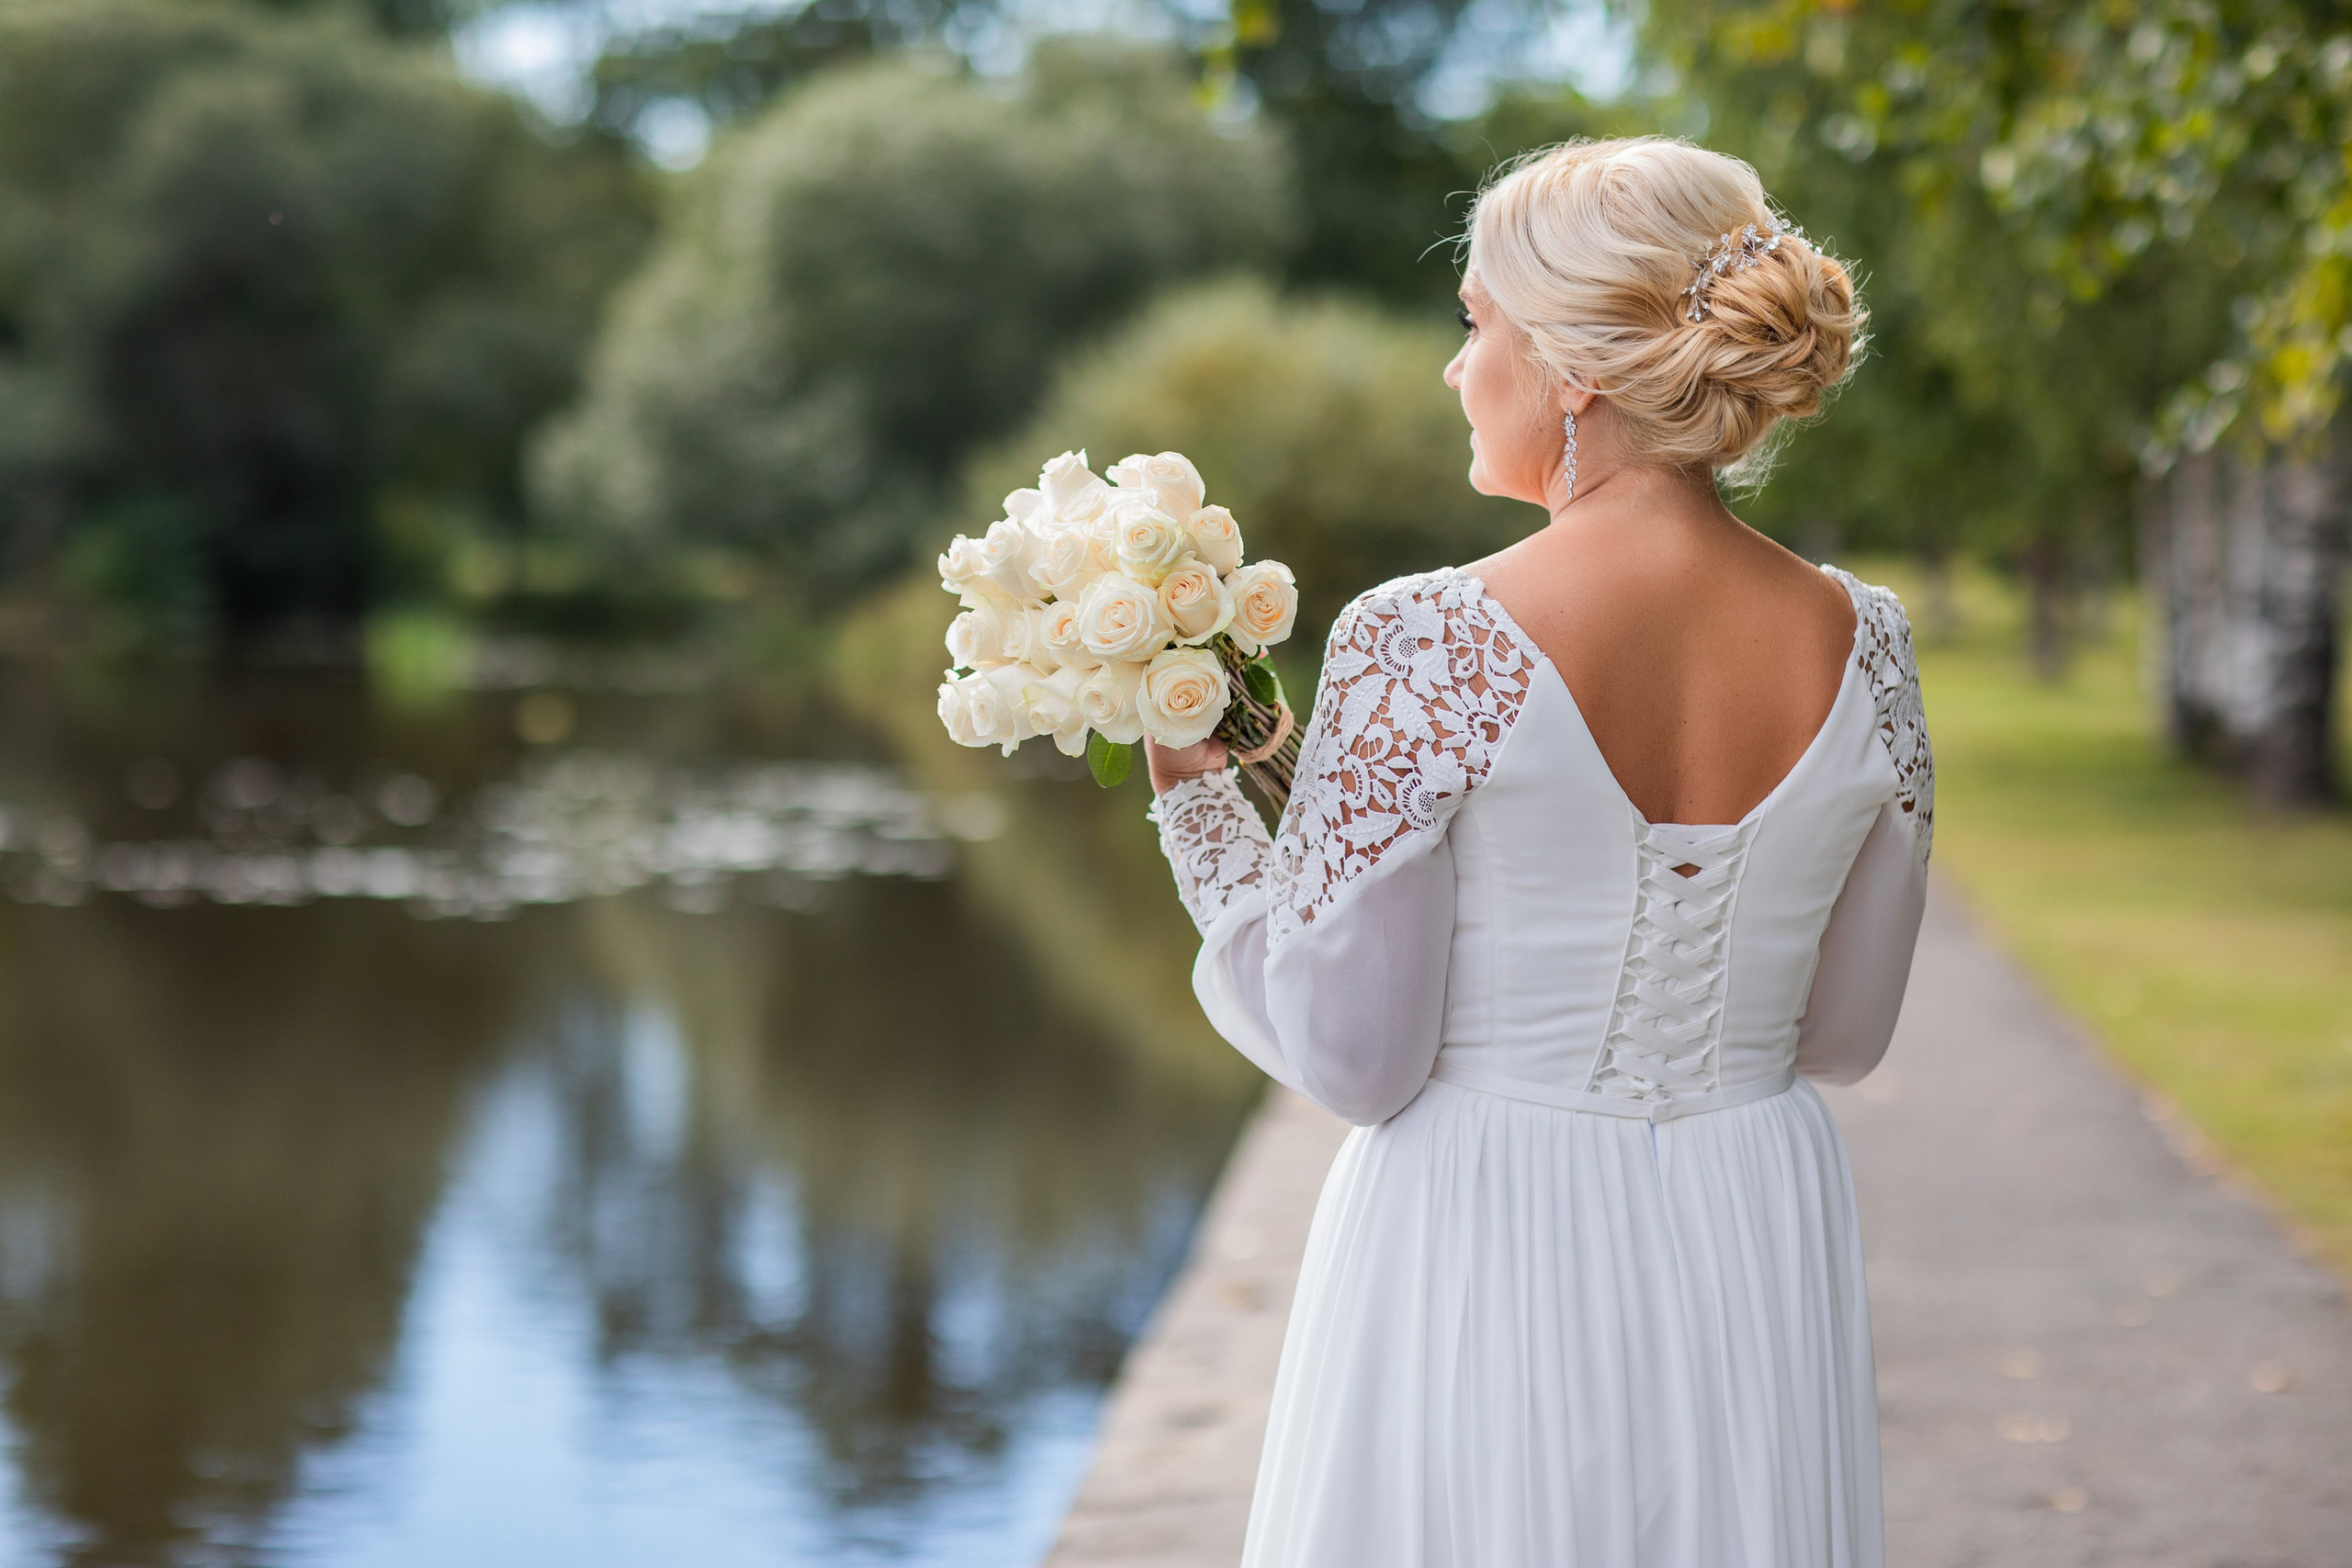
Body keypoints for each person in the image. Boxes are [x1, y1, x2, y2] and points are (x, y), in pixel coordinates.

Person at [1141, 137, 1931, 1568]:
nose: (1457, 369)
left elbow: (1355, 1060)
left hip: (1484, 1229)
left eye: (1474, 323)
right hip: (1755, 1216)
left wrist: (1202, 808)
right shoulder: (1867, 642)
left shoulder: (1420, 634)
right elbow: (1849, 1033)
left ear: (1572, 364)